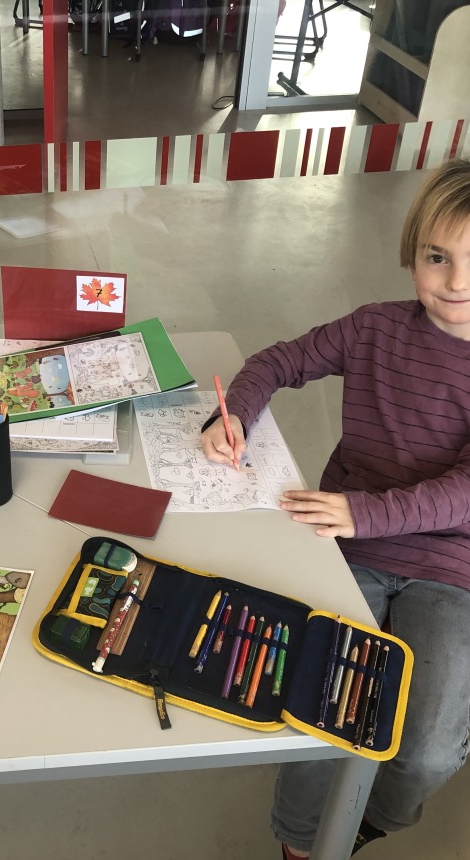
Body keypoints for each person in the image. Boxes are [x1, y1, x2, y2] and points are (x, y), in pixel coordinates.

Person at [201, 156, 470, 858]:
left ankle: (373, 820)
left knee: (427, 751)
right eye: (437, 257)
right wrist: (234, 415)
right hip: (349, 545)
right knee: (317, 711)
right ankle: (303, 842)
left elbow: (465, 492)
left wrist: (363, 513)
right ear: (411, 253)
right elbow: (278, 361)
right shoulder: (376, 327)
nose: (455, 282)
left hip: (451, 566)